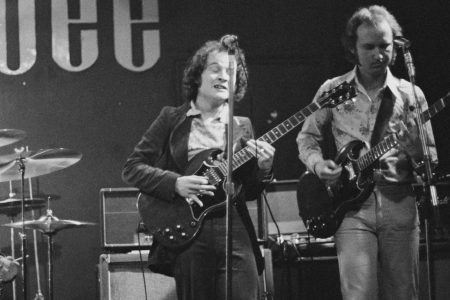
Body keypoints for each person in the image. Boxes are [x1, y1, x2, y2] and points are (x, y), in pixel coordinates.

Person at [297, 5, 437, 300]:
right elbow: (306, 137)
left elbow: (430, 167)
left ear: (395, 47)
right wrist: (318, 164)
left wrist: (416, 152)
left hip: (399, 205)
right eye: (369, 47)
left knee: (403, 294)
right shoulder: (333, 89)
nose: (378, 54)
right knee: (358, 295)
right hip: (351, 209)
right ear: (353, 49)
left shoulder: (411, 94)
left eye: (385, 46)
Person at [122, 36, 275, 300]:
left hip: (234, 227)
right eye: (215, 68)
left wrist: (264, 168)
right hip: (190, 232)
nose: (224, 76)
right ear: (197, 76)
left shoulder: (242, 125)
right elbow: (133, 168)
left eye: (230, 72)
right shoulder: (172, 117)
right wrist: (175, 183)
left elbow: (249, 191)